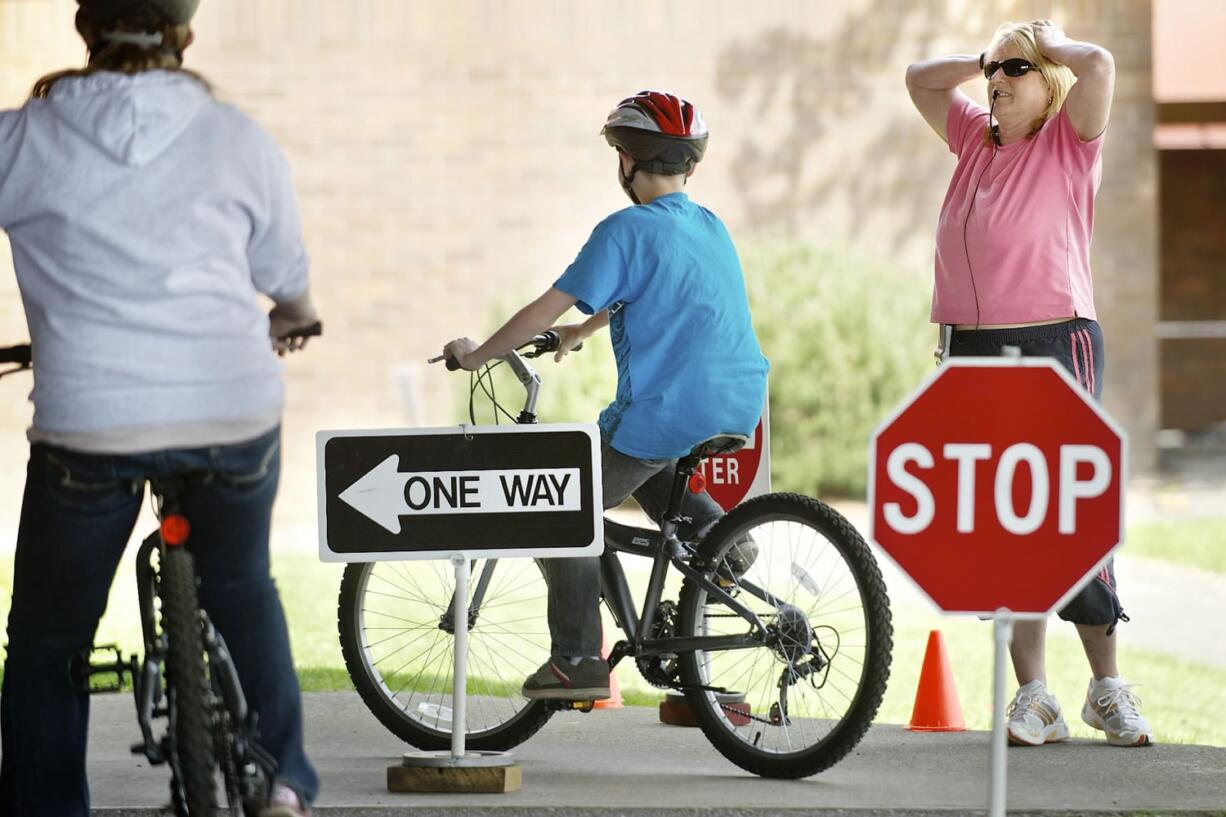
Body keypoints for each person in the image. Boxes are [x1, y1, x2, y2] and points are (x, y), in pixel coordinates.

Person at [0, 1, 321, 814]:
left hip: (91, 419)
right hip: (230, 409)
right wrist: (291, 316)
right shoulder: (236, 137)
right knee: (244, 584)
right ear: (184, 35)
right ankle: (282, 784)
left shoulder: (19, 139)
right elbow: (285, 276)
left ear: (85, 31)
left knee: (47, 640)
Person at [439, 90, 769, 701]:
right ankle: (727, 543)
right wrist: (584, 330)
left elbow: (545, 303)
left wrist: (478, 353)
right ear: (688, 165)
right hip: (735, 401)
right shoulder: (707, 224)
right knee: (643, 465)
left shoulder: (624, 229)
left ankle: (575, 660)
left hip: (665, 409)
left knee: (559, 505)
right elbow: (667, 289)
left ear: (626, 160)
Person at [905, 21, 1152, 747]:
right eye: (994, 70)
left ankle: (1107, 688)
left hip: (1055, 339)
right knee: (1000, 516)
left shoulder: (1067, 141)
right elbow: (920, 78)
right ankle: (1034, 695)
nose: (998, 79)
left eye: (1019, 68)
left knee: (1071, 510)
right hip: (970, 347)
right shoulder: (971, 137)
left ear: (1050, 84)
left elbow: (1101, 63)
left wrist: (1051, 40)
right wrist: (985, 54)